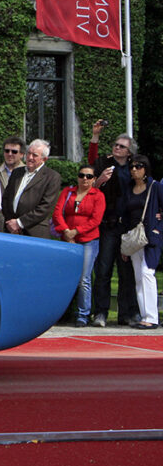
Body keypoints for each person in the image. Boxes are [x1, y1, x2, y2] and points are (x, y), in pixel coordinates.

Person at [88, 121, 139, 328]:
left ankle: (127, 314)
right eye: (115, 145)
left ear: (129, 152)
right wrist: (99, 180)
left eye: (121, 146)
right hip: (109, 225)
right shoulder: (104, 164)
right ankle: (100, 312)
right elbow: (91, 165)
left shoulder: (137, 166)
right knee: (104, 270)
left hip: (128, 225)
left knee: (127, 272)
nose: (116, 148)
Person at [52, 165, 106, 327]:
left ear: (94, 179)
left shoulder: (98, 195)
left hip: (88, 240)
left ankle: (83, 314)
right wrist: (66, 231)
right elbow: (57, 213)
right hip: (68, 239)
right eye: (82, 175)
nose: (85, 179)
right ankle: (62, 313)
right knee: (66, 277)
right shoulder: (68, 192)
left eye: (89, 177)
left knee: (84, 278)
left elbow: (96, 220)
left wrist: (76, 231)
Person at [120, 155, 163, 329]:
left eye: (138, 166)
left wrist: (158, 226)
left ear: (146, 168)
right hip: (134, 237)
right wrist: (126, 244)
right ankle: (145, 315)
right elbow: (127, 215)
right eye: (132, 167)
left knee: (147, 273)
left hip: (151, 237)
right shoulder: (129, 189)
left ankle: (152, 317)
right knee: (139, 277)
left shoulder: (155, 187)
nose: (134, 170)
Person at [1, 139, 61, 239]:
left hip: (35, 231)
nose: (30, 157)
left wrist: (19, 223)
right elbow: (6, 198)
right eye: (28, 153)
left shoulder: (52, 177)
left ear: (44, 159)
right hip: (11, 230)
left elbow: (45, 207)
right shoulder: (17, 172)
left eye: (35, 155)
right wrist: (11, 223)